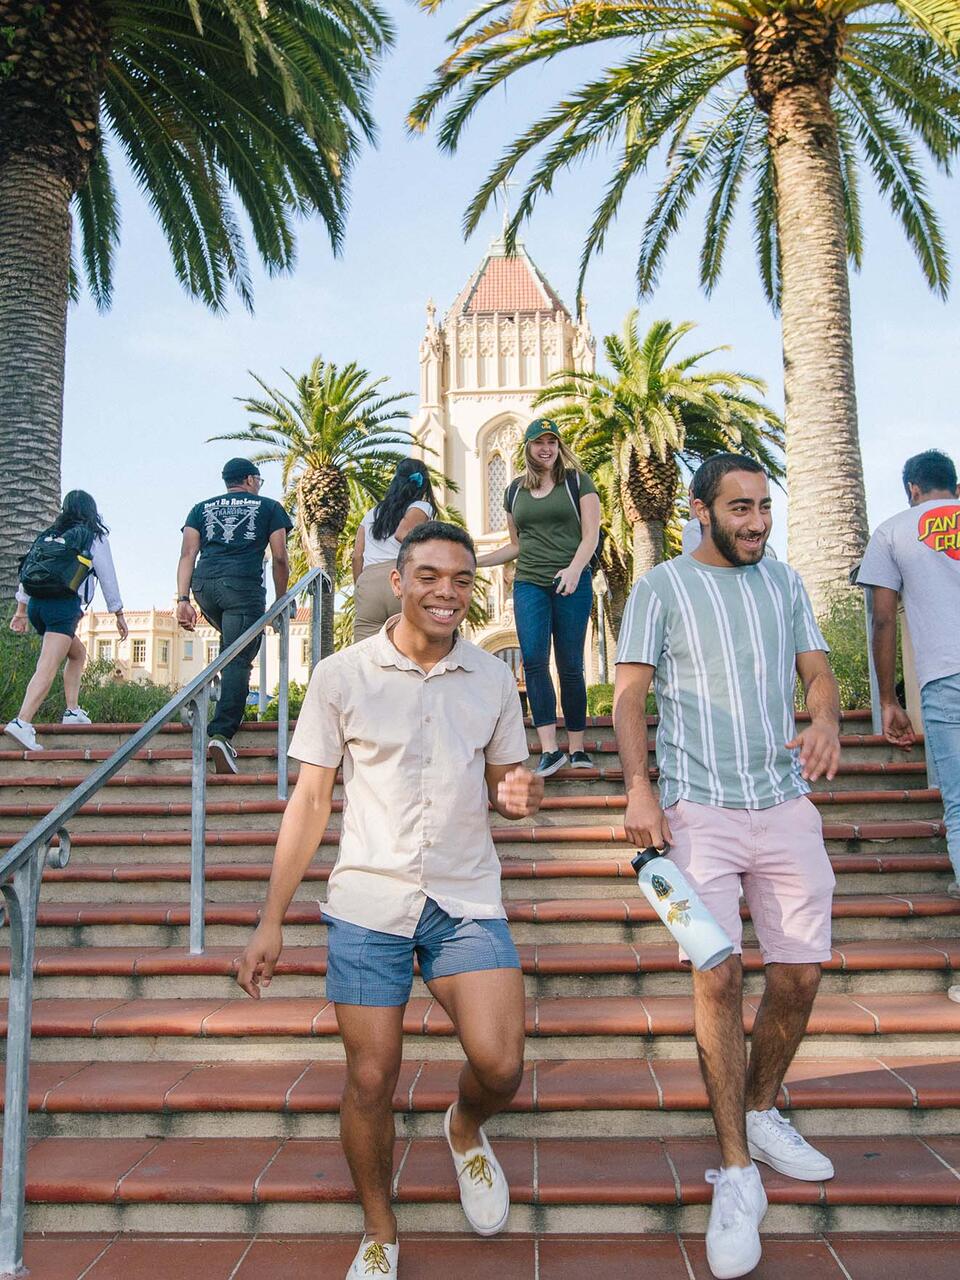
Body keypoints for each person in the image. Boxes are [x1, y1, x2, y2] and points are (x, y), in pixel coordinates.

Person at [236, 521, 543, 1280]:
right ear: (398, 582)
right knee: (371, 1078)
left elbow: (509, 785)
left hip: (465, 895)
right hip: (369, 900)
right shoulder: (343, 676)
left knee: (501, 1064)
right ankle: (380, 1228)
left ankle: (464, 1128)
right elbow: (310, 802)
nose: (447, 592)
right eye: (431, 576)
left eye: (462, 580)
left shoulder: (494, 678)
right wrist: (270, 920)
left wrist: (517, 796)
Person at [614, 453, 841, 1280]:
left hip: (783, 803)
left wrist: (825, 719)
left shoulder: (783, 584)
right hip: (697, 809)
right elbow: (630, 696)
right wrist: (640, 790)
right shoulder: (661, 588)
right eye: (739, 508)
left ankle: (761, 1103)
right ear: (701, 510)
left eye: (763, 508)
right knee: (717, 969)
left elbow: (817, 671)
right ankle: (738, 1171)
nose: (755, 522)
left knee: (802, 974)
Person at [856, 449, 960, 998]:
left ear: (912, 490)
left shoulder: (895, 530)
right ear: (953, 486)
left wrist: (890, 700)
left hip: (946, 677)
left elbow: (882, 615)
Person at [477, 418, 601, 777]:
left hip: (572, 583)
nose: (546, 448)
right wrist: (474, 561)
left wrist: (575, 570)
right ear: (528, 448)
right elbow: (515, 545)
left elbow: (590, 536)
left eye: (552, 441)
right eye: (538, 442)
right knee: (533, 661)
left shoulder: (578, 482)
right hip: (529, 581)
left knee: (570, 666)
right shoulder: (515, 491)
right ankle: (549, 749)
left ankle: (576, 746)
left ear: (559, 446)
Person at [176, 458, 292, 774]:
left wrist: (183, 599)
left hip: (204, 587)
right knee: (239, 658)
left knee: (233, 648)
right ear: (251, 480)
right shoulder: (269, 507)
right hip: (242, 588)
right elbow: (280, 557)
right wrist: (282, 600)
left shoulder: (200, 508)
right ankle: (221, 733)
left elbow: (188, 554)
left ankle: (201, 702)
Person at [4, 490, 127, 752]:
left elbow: (29, 570)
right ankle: (22, 722)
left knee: (78, 653)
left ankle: (72, 711)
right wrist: (118, 614)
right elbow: (107, 577)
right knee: (46, 667)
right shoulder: (93, 536)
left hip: (37, 605)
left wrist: (21, 611)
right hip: (62, 607)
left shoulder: (48, 534)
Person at [351, 457, 436, 642]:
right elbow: (402, 534)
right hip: (399, 579)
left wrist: (360, 585)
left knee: (364, 652)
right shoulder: (421, 507)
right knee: (408, 648)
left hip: (368, 582)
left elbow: (357, 556)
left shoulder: (372, 513)